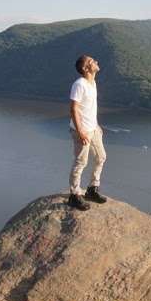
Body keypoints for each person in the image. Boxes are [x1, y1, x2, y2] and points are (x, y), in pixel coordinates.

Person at [67, 54, 107, 211]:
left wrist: (96, 125)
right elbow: (73, 109)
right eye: (91, 61)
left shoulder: (93, 82)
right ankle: (74, 195)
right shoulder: (79, 84)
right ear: (85, 68)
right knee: (80, 162)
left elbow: (89, 108)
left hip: (93, 129)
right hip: (81, 130)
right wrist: (80, 131)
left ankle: (92, 190)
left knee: (101, 156)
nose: (96, 61)